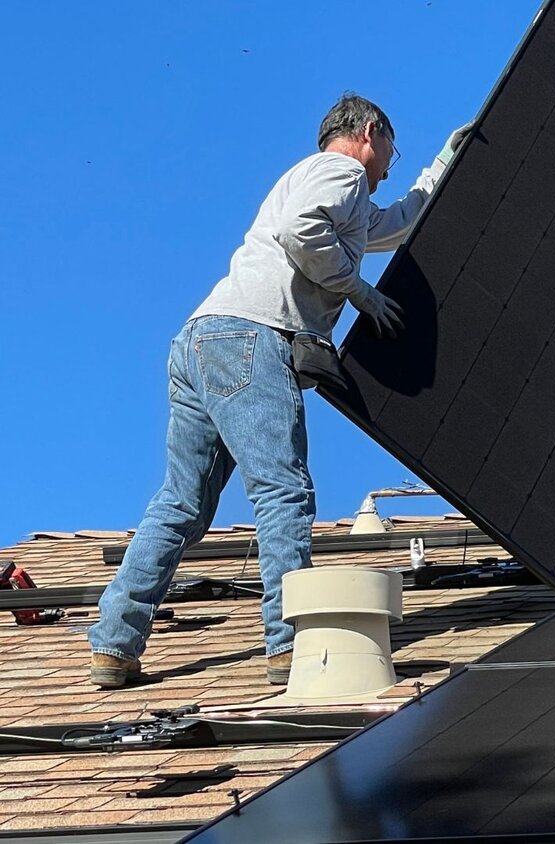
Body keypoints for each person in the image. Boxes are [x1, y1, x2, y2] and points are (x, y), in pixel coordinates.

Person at [87, 93, 471, 688]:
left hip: (201, 341)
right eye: (392, 150)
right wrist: (360, 293)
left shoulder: (329, 187)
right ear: (370, 131)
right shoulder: (340, 171)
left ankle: (114, 643)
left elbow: (394, 225)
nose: (389, 167)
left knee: (181, 503)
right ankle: (290, 645)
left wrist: (443, 163)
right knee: (283, 490)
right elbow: (301, 231)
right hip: (253, 337)